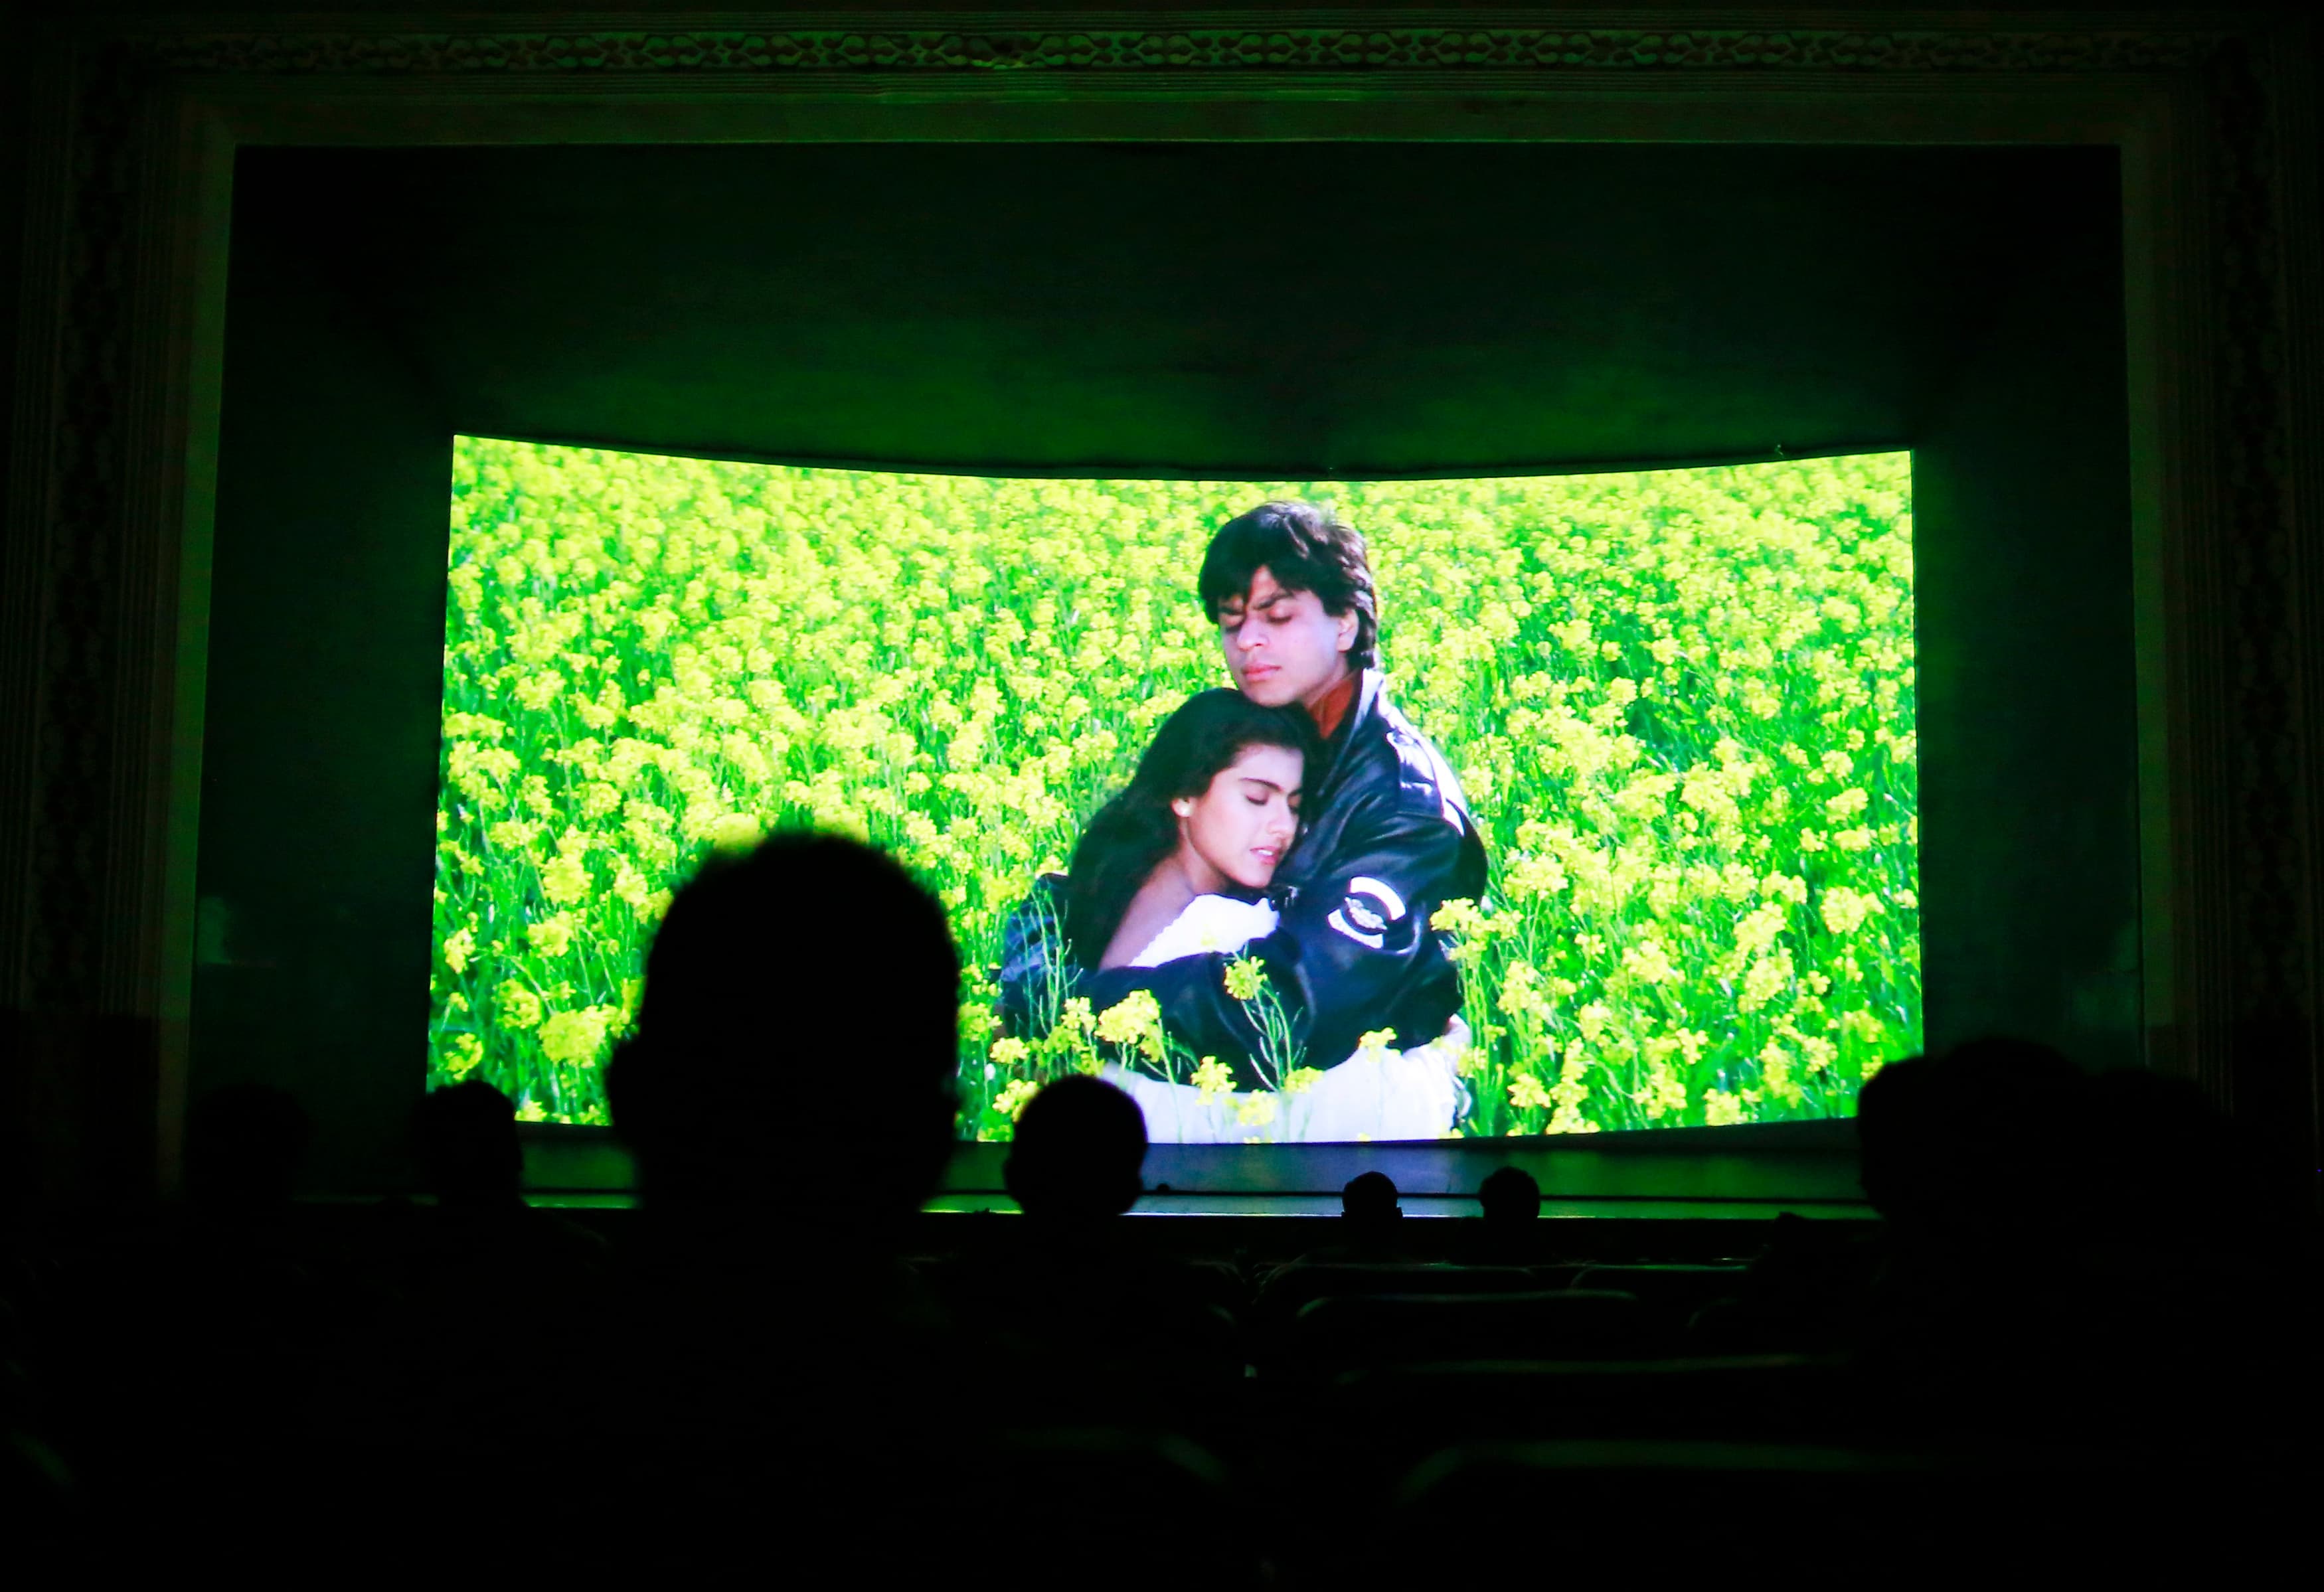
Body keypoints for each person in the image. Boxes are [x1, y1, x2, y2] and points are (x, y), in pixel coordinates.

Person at [1005, 501, 1490, 1141]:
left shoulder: (1402, 800)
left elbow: (1296, 1008)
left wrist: (1081, 1007)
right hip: (1250, 1073)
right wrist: (1037, 982)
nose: (1248, 642)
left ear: (1346, 624)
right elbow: (1092, 881)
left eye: (1278, 617)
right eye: (1232, 624)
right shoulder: (1266, 734)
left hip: (1351, 1091)